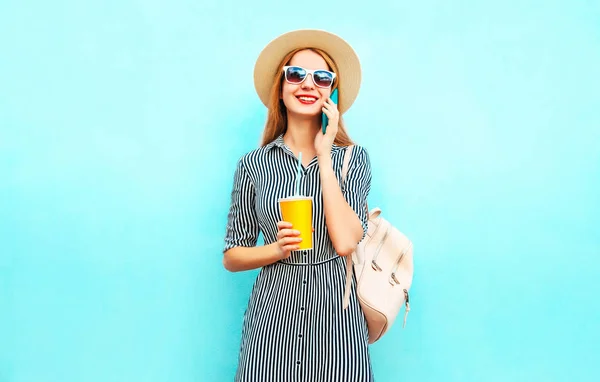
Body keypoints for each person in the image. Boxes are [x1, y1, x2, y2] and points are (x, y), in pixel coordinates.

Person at [222, 29, 373, 381]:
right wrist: (275, 249)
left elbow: (347, 241)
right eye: (296, 74)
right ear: (281, 86)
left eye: (321, 77)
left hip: (338, 319)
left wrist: (324, 155)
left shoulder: (353, 159)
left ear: (331, 92)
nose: (308, 84)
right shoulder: (253, 164)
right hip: (272, 321)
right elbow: (232, 255)